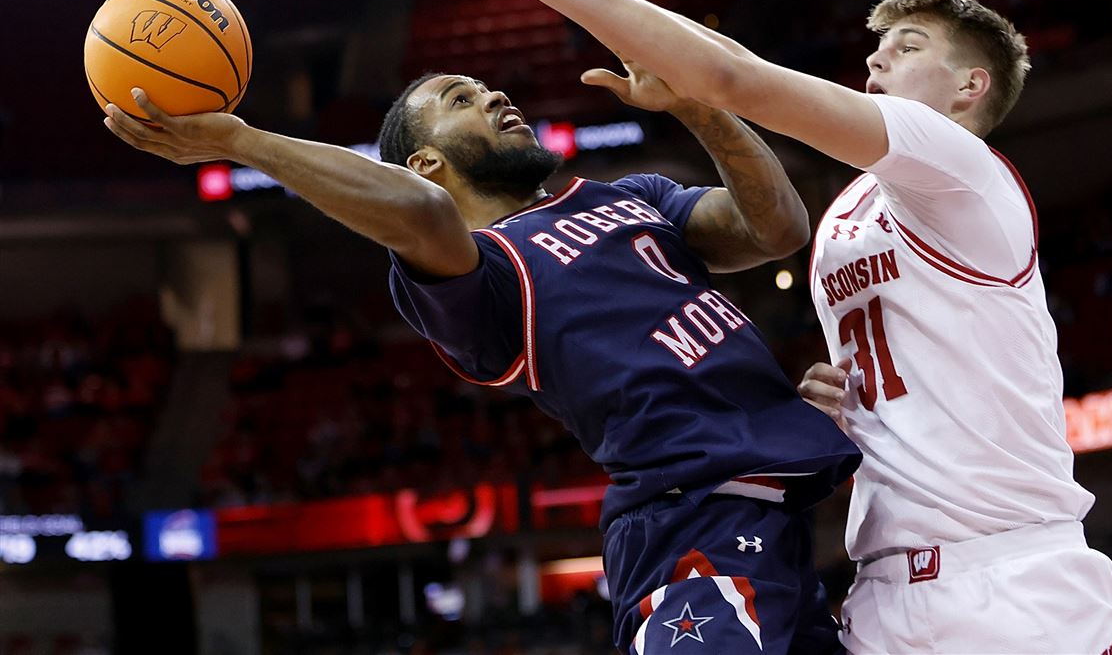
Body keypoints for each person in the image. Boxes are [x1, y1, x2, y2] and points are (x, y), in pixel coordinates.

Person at [372, 0, 1112, 653]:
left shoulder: (959, 164)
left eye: (908, 46)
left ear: (970, 85)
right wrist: (848, 400)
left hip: (1008, 572)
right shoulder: (853, 210)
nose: (877, 58)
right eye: (878, 45)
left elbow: (731, 74)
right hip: (883, 588)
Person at [103, 48, 861, 651]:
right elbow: (424, 215)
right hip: (690, 522)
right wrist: (240, 141)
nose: (495, 96)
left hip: (777, 512)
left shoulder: (629, 196)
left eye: (486, 89)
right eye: (459, 99)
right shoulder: (482, 276)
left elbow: (777, 230)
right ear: (426, 163)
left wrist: (697, 106)